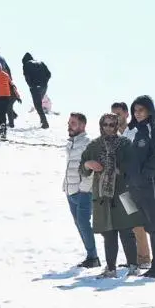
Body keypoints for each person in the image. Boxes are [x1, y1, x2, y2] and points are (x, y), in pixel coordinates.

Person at [80, 113, 143, 277]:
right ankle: (110, 268)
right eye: (105, 124)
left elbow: (134, 166)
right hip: (102, 196)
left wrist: (118, 170)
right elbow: (82, 168)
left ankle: (133, 266)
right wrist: (88, 164)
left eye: (111, 125)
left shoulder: (125, 144)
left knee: (127, 231)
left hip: (125, 193)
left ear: (116, 126)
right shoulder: (94, 145)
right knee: (108, 233)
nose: (108, 127)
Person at [125, 95, 155, 277]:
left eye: (141, 110)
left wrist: (144, 175)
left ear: (150, 111)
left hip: (153, 186)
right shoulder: (132, 131)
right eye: (135, 111)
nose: (137, 114)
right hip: (135, 188)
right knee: (146, 225)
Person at [111, 101, 150, 267]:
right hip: (120, 186)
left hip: (134, 184)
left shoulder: (134, 132)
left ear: (127, 114)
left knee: (137, 223)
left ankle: (144, 258)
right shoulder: (115, 137)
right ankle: (132, 259)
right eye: (113, 115)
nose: (115, 118)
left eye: (118, 114)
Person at [62, 112, 98, 268]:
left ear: (83, 126)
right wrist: (66, 185)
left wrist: (84, 189)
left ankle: (93, 258)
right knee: (79, 224)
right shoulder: (71, 143)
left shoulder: (88, 143)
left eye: (74, 123)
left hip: (83, 192)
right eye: (69, 123)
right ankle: (91, 257)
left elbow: (92, 169)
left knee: (84, 223)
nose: (70, 126)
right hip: (70, 190)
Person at [21, 53, 52, 130]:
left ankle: (45, 123)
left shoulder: (26, 64)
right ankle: (42, 121)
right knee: (39, 104)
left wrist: (31, 85)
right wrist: (45, 82)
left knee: (37, 105)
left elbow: (27, 76)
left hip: (35, 87)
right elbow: (49, 74)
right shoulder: (41, 62)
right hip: (44, 86)